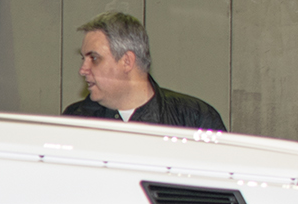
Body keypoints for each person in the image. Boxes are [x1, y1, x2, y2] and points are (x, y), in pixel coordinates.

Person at [62, 12, 225, 130]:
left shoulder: (196, 120)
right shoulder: (75, 121)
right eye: (83, 59)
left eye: (94, 58)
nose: (83, 70)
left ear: (127, 61)